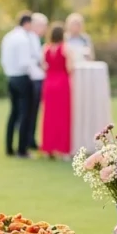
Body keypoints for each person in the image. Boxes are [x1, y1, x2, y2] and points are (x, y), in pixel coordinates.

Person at [0, 11, 36, 157]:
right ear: (27, 23)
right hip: (22, 78)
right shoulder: (23, 39)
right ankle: (22, 149)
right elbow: (24, 62)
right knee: (25, 114)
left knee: (13, 113)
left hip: (10, 77)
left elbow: (3, 60)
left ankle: (9, 147)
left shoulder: (8, 37)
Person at [40, 23, 73, 158]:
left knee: (49, 116)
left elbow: (43, 66)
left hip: (49, 84)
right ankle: (62, 149)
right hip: (62, 83)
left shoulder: (46, 48)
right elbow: (69, 67)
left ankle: (49, 148)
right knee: (63, 117)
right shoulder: (65, 48)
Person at [27, 13, 48, 150]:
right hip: (34, 79)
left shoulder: (33, 38)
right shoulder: (32, 38)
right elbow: (38, 60)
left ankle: (31, 139)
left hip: (34, 78)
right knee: (31, 111)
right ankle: (30, 139)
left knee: (33, 111)